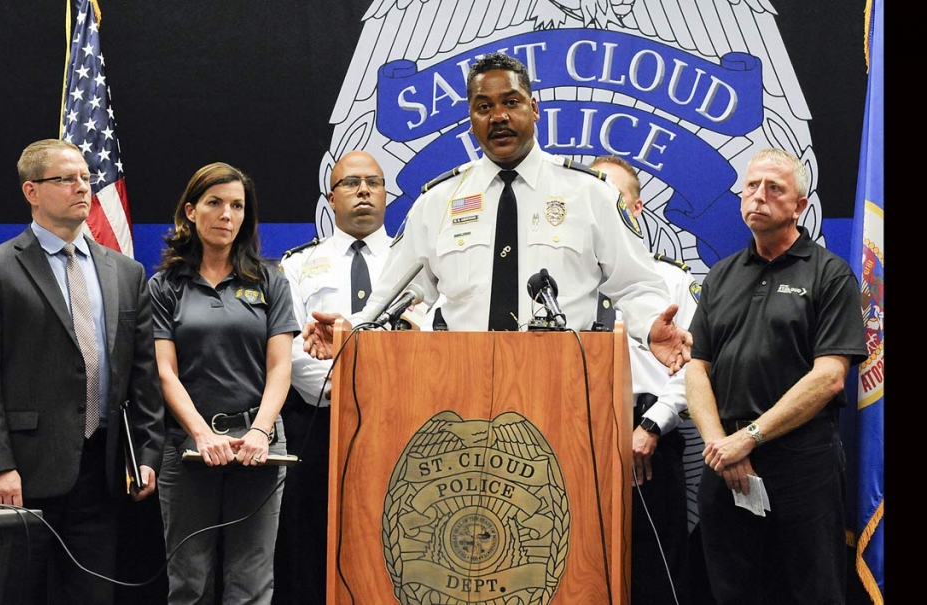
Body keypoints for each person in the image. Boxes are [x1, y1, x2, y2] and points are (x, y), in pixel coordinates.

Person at [301, 53, 691, 373]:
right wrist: (349, 328)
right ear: (471, 120)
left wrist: (651, 327)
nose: (498, 116)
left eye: (511, 102)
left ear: (534, 109)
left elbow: (636, 285)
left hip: (562, 380)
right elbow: (394, 295)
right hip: (460, 379)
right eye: (483, 107)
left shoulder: (590, 194)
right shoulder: (437, 202)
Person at [0, 138, 165, 605]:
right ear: (32, 191)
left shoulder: (126, 272)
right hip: (19, 476)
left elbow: (143, 374)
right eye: (65, 179)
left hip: (101, 474)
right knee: (13, 594)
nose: (81, 187)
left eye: (86, 178)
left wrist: (146, 454)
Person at [685, 148, 867, 604]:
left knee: (814, 593)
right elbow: (696, 369)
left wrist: (749, 437)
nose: (758, 196)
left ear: (799, 206)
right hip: (726, 468)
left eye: (774, 188)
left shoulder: (829, 274)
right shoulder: (720, 277)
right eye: (751, 186)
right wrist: (721, 446)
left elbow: (829, 378)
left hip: (801, 467)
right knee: (733, 593)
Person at [149, 162, 299, 604]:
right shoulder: (165, 285)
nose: (226, 215)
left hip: (259, 444)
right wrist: (201, 433)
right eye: (215, 203)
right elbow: (164, 371)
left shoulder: (270, 280)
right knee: (189, 581)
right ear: (191, 212)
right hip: (190, 446)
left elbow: (281, 369)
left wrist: (260, 431)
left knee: (251, 584)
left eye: (237, 205)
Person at [273, 149, 400, 604]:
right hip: (318, 425)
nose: (363, 190)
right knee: (310, 540)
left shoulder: (417, 259)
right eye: (351, 183)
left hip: (399, 424)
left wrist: (375, 383)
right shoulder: (297, 264)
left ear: (387, 194)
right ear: (331, 197)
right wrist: (353, 383)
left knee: (397, 535)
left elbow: (429, 337)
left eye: (373, 182)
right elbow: (289, 350)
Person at [590, 155, 697, 604]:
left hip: (648, 435)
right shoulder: (561, 282)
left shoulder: (669, 280)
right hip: (573, 433)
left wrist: (650, 426)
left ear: (635, 210)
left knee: (654, 577)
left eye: (609, 198)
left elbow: (692, 364)